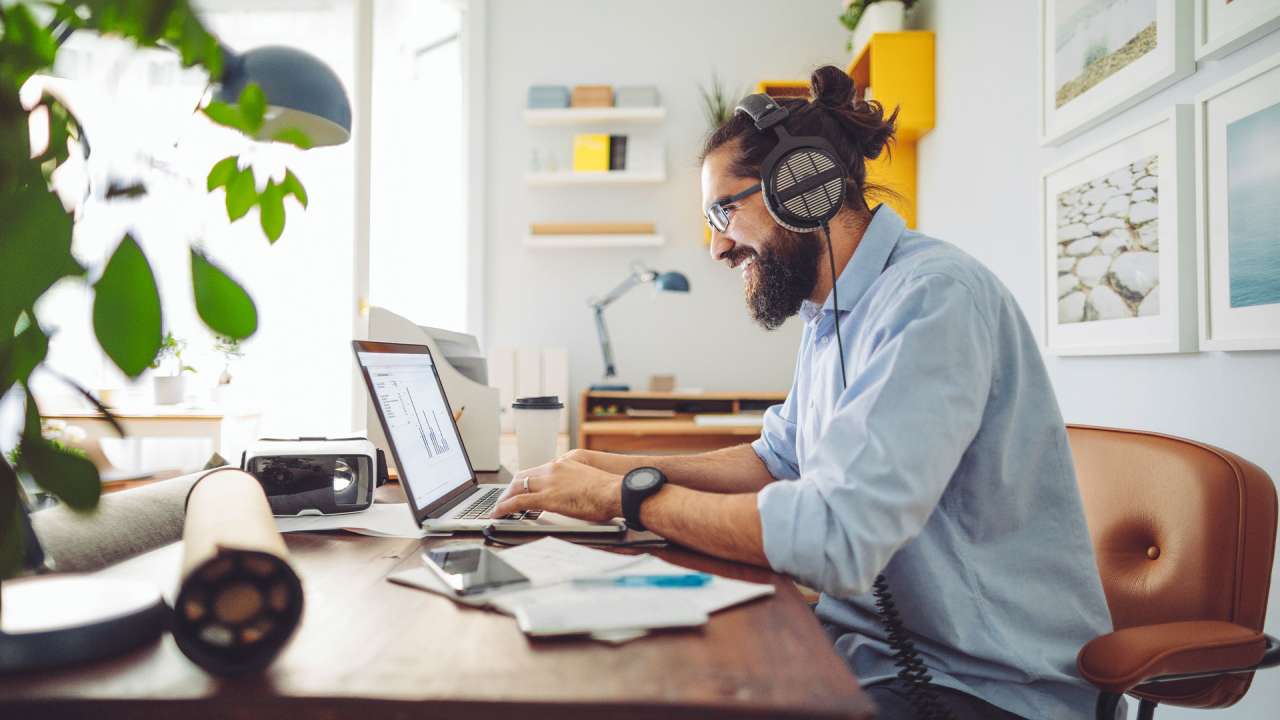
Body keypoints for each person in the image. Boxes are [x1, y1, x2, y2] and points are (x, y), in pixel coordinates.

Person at [493, 65, 1114, 719]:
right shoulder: (832, 312)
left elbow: (836, 538)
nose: (715, 247)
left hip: (984, 687)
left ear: (804, 186)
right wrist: (606, 469)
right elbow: (777, 462)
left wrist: (628, 497)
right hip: (866, 653)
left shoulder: (934, 300)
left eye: (721, 211)